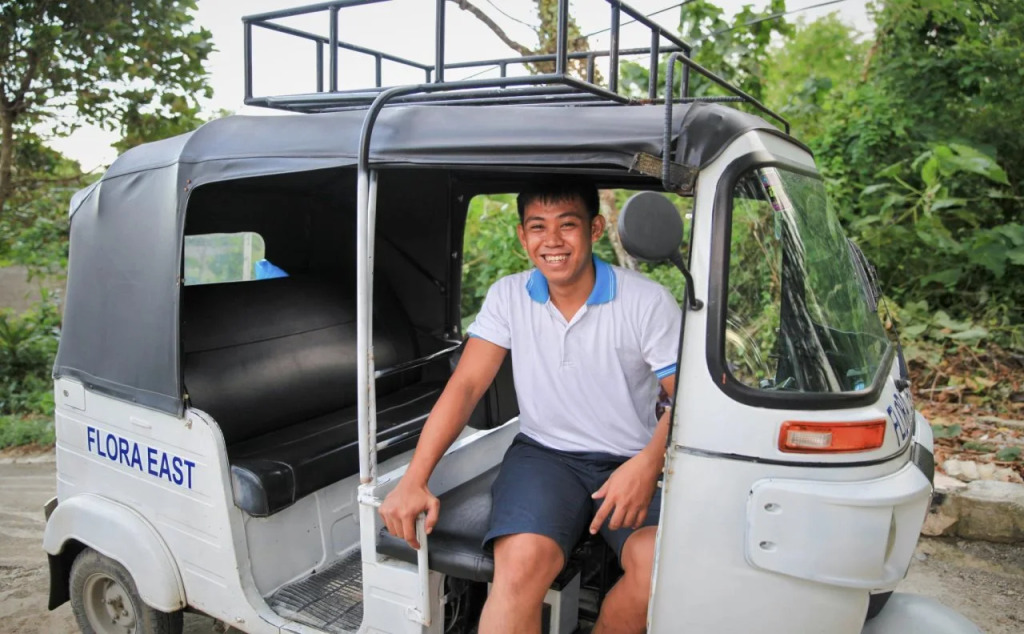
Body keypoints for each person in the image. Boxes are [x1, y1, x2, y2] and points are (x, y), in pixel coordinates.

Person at [379, 178, 682, 634]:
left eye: (568, 225)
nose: (552, 240)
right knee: (518, 571)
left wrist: (649, 461)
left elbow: (684, 399)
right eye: (538, 227)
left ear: (595, 228)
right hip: (545, 457)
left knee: (658, 569)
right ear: (523, 236)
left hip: (632, 459)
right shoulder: (508, 295)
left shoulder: (646, 301)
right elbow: (466, 387)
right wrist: (414, 479)